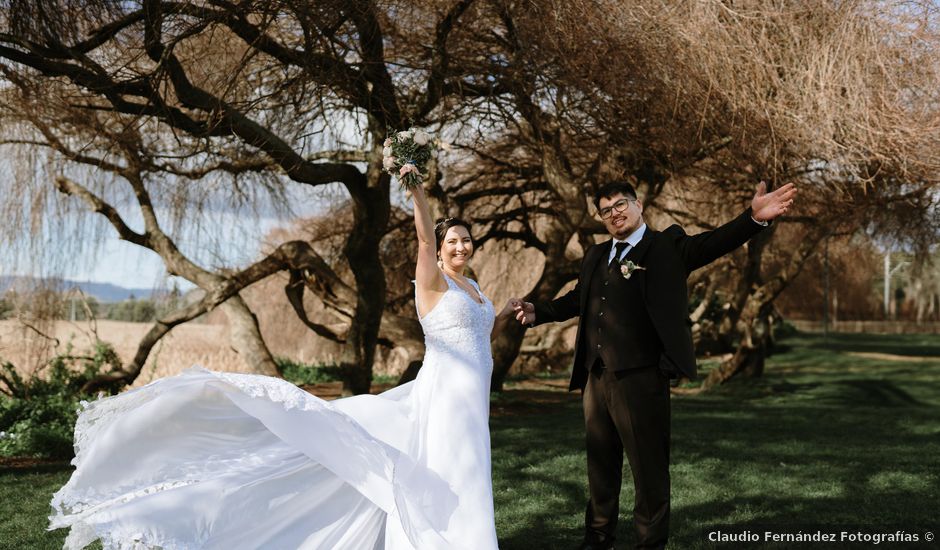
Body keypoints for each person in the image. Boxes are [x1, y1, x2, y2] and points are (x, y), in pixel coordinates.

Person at [49, 183, 516, 549]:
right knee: (443, 466)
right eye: (452, 240)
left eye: (467, 239)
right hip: (441, 399)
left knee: (470, 468)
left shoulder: (473, 289)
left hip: (471, 399)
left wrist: (504, 314)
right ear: (437, 249)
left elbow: (476, 337)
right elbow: (420, 234)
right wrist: (415, 188)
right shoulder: (432, 282)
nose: (461, 246)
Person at [511, 180, 797, 550]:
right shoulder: (597, 255)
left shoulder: (666, 246)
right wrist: (539, 312)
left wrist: (753, 219)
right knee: (601, 468)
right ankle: (597, 540)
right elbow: (577, 300)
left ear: (638, 204)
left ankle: (649, 544)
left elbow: (712, 243)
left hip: (642, 379)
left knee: (649, 473)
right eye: (606, 210)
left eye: (620, 205)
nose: (614, 214)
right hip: (596, 378)